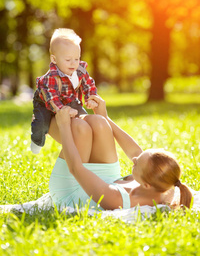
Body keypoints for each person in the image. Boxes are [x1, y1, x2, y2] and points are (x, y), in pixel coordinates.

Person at [48, 95, 193, 211]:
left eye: (136, 164)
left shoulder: (116, 199)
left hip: (73, 189)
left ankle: (43, 124)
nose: (134, 159)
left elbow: (76, 168)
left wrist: (64, 126)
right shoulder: (163, 182)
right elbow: (137, 152)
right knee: (99, 122)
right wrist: (105, 117)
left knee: (80, 128)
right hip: (107, 180)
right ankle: (93, 119)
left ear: (146, 185)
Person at [31, 28, 98, 154]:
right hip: (46, 101)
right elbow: (52, 99)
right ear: (54, 59)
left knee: (84, 119)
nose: (73, 63)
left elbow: (88, 83)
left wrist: (91, 97)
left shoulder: (79, 70)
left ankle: (82, 140)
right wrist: (64, 110)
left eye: (76, 59)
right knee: (42, 123)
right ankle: (37, 140)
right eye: (68, 60)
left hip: (68, 98)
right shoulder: (50, 78)